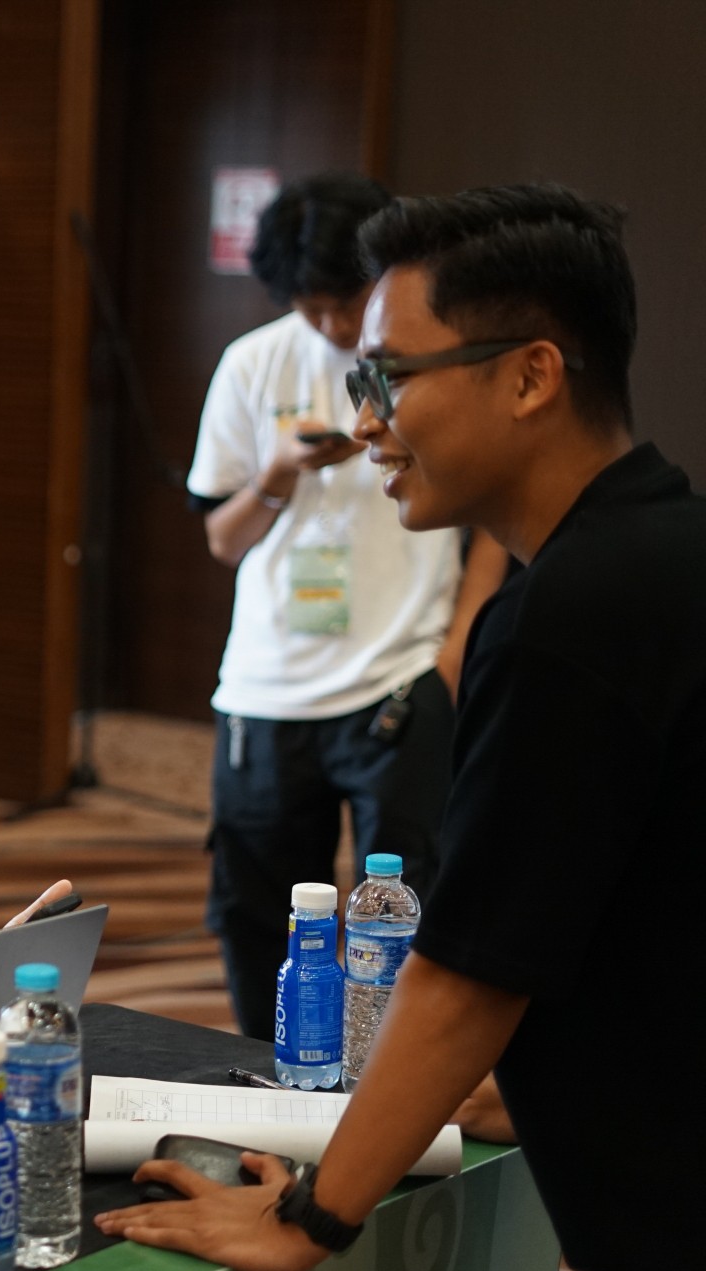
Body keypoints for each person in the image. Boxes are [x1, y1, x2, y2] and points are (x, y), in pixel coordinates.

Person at [96, 184, 704, 1271]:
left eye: (389, 377)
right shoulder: (663, 544)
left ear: (531, 376)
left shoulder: (569, 614)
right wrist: (534, 1081)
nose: (367, 419)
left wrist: (307, 1219)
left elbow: (469, 974)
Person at [186, 173, 508, 1038]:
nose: (331, 325)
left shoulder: (427, 364)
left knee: (411, 915)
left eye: (346, 301)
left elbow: (492, 517)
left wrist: (451, 659)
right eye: (311, 307)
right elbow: (222, 539)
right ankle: (271, 1077)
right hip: (267, 690)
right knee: (259, 917)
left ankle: (388, 1085)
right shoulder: (253, 363)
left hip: (398, 682)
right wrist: (277, 474)